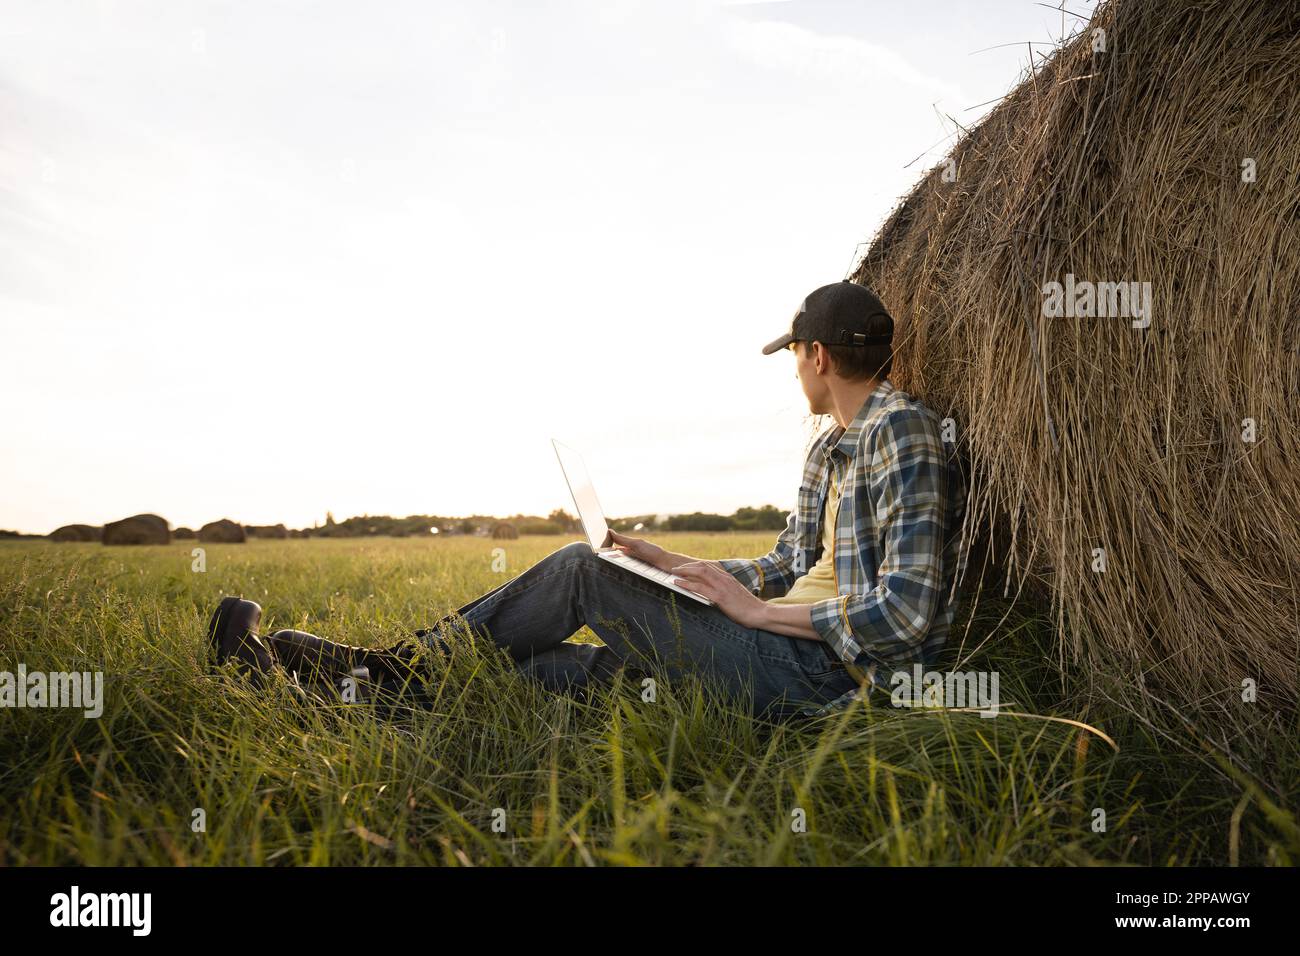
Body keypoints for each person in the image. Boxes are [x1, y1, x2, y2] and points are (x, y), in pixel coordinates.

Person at [208, 281, 967, 720]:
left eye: (795, 355)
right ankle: (309, 684)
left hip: (821, 676)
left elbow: (907, 613)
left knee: (579, 568)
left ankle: (381, 671)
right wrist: (676, 563)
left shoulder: (900, 433)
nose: (795, 369)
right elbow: (788, 563)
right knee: (534, 677)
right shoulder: (828, 448)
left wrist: (756, 614)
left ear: (818, 355)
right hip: (774, 649)